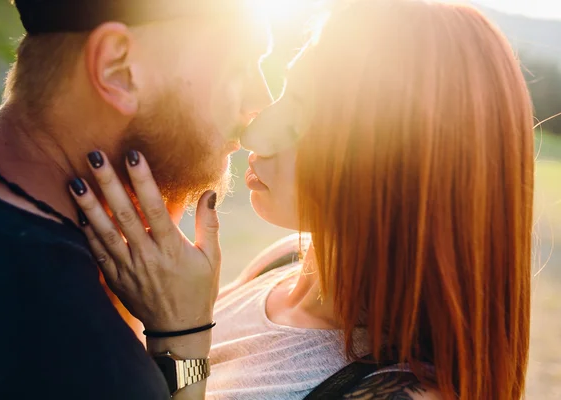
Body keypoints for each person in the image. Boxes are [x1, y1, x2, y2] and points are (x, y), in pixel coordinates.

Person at [76, 0, 535, 399]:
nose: (254, 131)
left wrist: (180, 335)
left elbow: (177, 358)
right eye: (284, 94)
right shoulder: (284, 264)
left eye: (299, 116)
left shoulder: (406, 391)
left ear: (395, 161)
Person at [0, 0, 272, 398]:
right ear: (118, 69)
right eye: (240, 66)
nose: (260, 103)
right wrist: (184, 342)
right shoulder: (93, 367)